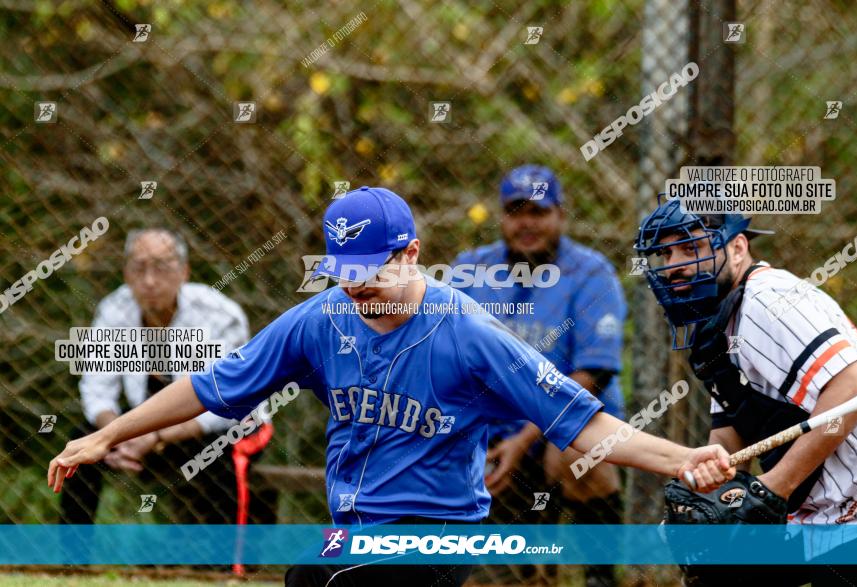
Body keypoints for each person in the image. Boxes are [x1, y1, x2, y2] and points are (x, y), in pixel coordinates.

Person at [50, 187, 735, 586]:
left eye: (374, 268)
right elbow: (212, 384)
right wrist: (106, 432)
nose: (358, 284)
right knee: (306, 578)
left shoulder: (465, 331)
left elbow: (584, 425)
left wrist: (685, 458)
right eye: (345, 270)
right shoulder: (321, 319)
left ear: (412, 253)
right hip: (353, 525)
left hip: (439, 530)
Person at [634, 199, 857, 586]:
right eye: (663, 253)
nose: (675, 264)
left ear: (737, 247)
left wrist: (771, 489)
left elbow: (852, 389)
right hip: (822, 515)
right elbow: (732, 429)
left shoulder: (769, 299)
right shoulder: (719, 321)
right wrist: (713, 493)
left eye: (690, 247)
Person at [452, 165, 626, 586]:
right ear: (502, 217)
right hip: (492, 431)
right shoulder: (471, 270)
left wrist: (524, 439)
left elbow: (594, 372)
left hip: (561, 426)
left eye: (538, 211)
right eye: (516, 211)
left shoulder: (590, 272)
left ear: (560, 215)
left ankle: (599, 577)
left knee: (576, 451)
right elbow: (447, 360)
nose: (526, 223)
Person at [60, 228, 274, 525]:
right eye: (139, 268)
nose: (149, 280)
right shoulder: (113, 310)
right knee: (81, 444)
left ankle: (223, 567)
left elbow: (225, 403)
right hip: (143, 431)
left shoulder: (219, 314)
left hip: (224, 426)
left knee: (216, 455)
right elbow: (97, 390)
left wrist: (154, 436)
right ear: (126, 273)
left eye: (161, 267)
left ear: (184, 272)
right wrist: (116, 437)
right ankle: (71, 563)